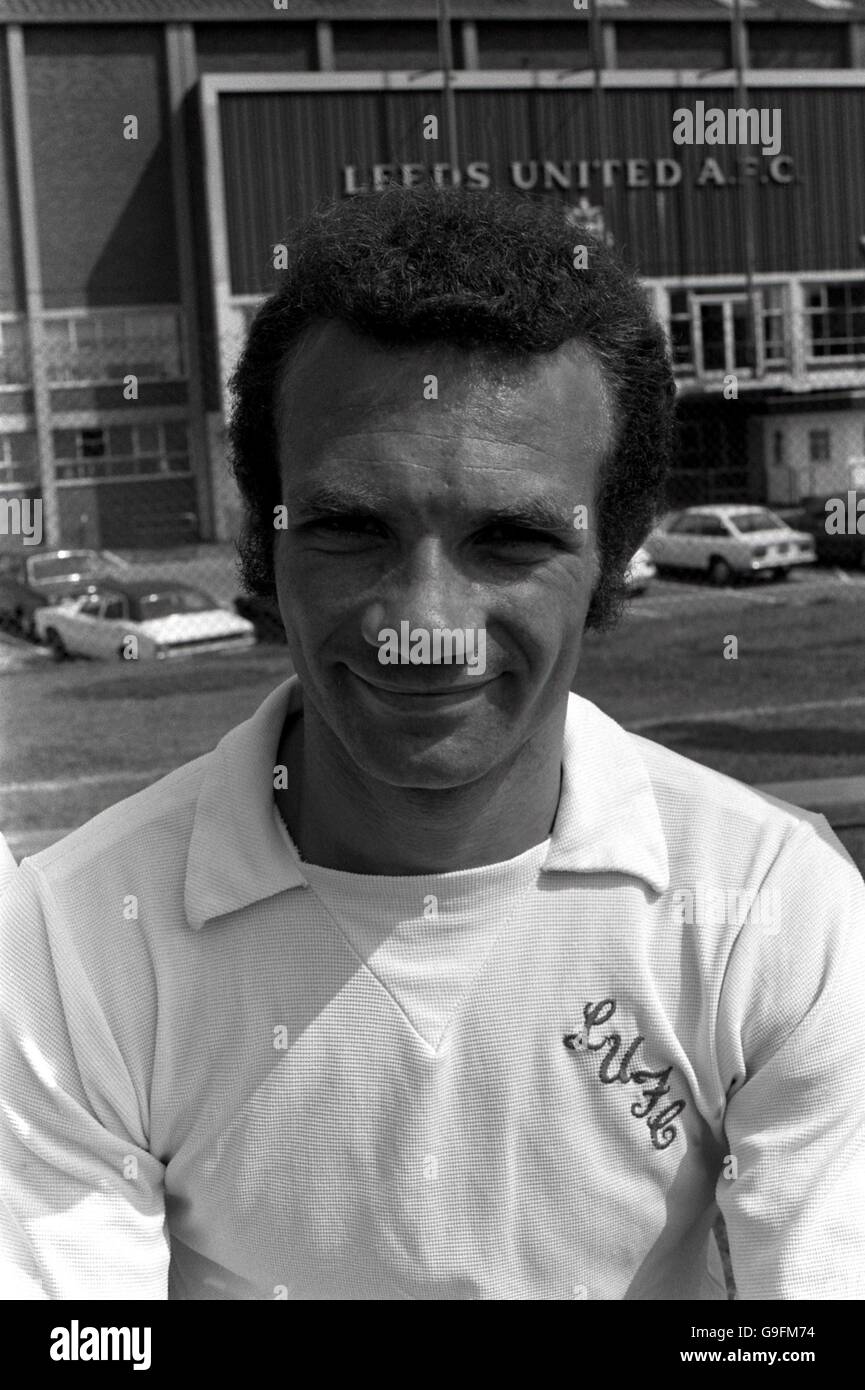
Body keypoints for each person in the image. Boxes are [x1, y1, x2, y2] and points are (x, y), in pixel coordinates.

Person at [1, 186, 863, 1301]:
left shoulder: (779, 914)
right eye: (352, 527)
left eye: (508, 538)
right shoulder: (67, 949)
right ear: (264, 550)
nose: (422, 620)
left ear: (617, 557)